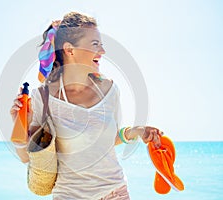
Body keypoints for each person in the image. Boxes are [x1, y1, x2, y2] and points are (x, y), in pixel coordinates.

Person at [10, 11, 163, 200]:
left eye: (101, 44)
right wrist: (19, 123)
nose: (102, 51)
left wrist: (136, 132)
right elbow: (28, 158)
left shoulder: (110, 89)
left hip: (115, 192)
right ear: (69, 50)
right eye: (95, 44)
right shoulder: (43, 97)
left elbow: (107, 141)